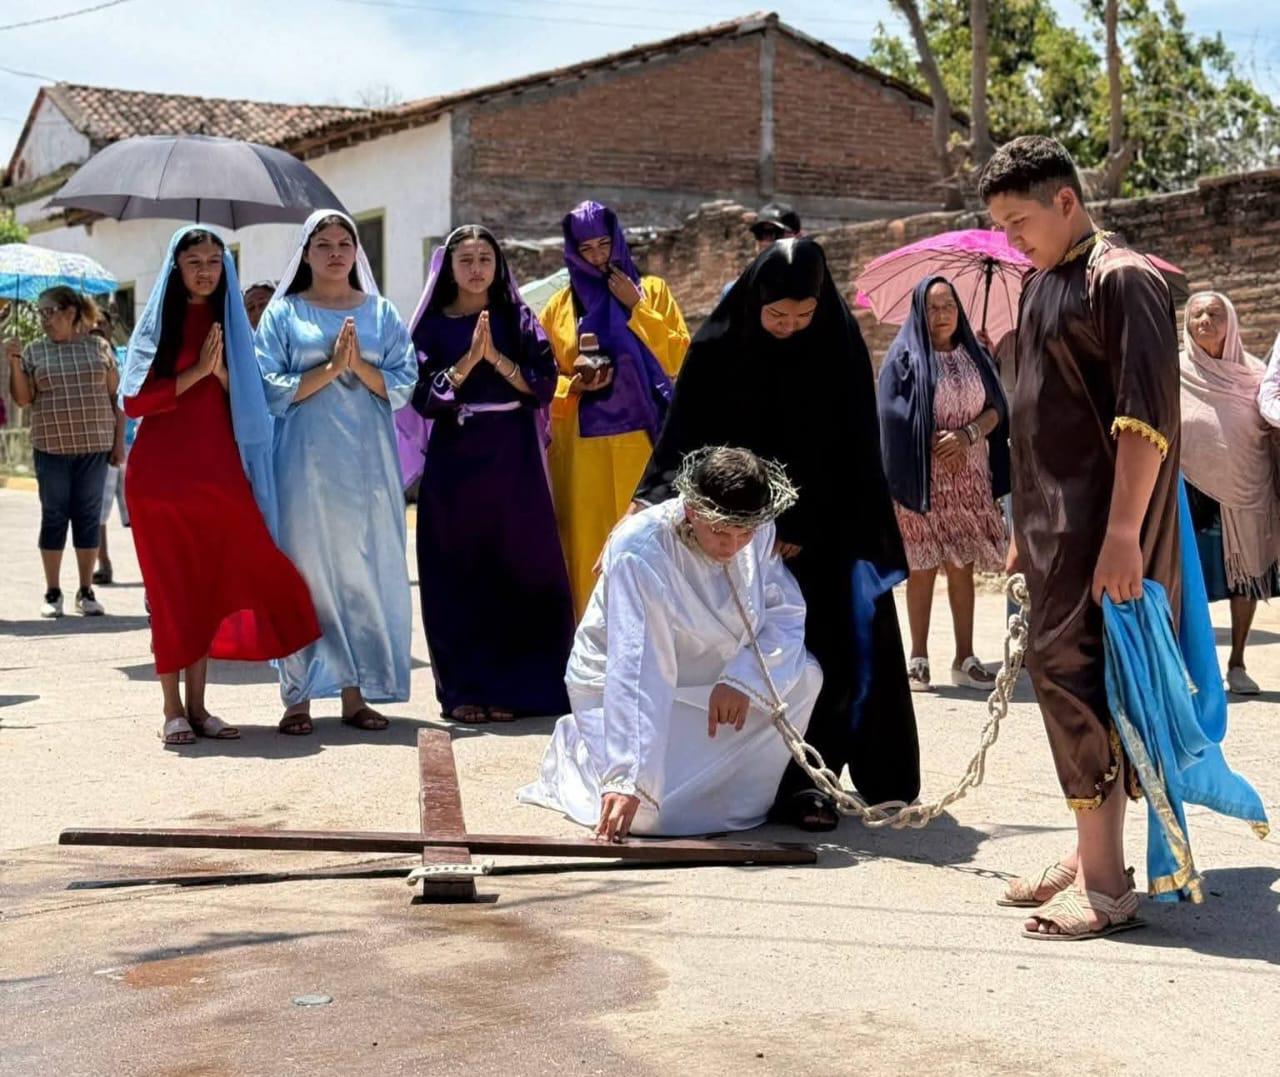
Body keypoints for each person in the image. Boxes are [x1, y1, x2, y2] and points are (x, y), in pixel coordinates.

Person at [634, 238, 921, 831]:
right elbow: (683, 431)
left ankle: (809, 784)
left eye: (802, 316)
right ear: (755, 303)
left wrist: (804, 523)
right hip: (730, 540)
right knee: (732, 655)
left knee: (828, 654)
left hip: (822, 539)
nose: (790, 328)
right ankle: (738, 777)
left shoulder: (836, 346)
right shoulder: (719, 347)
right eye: (777, 317)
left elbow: (855, 451)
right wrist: (649, 504)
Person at [981, 135, 1181, 939]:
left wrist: (1125, 533)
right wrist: (1021, 531)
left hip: (1105, 526)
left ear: (1067, 200)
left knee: (1086, 680)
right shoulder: (1041, 286)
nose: (1012, 239)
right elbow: (1036, 421)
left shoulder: (1122, 279)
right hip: (1048, 529)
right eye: (999, 225)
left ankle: (1107, 886)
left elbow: (1147, 418)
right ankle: (1087, 849)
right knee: (1063, 678)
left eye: (1019, 219)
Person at [518, 446, 820, 839]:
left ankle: (720, 793)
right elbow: (637, 663)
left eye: (743, 533)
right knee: (644, 815)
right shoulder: (640, 550)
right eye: (721, 532)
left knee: (807, 676)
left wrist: (742, 679)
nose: (733, 546)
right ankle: (582, 756)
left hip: (715, 677)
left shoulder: (756, 531)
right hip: (622, 683)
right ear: (693, 511)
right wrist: (627, 778)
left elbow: (784, 613)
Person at [121, 227, 320, 747]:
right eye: (195, 261)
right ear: (176, 267)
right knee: (171, 592)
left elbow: (251, 398)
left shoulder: (231, 323)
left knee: (224, 580)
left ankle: (201, 707)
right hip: (159, 478)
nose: (206, 270)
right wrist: (197, 373)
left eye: (215, 260)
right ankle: (172, 711)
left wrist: (224, 375)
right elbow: (134, 402)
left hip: (219, 473)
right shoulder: (158, 327)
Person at [256, 210, 417, 735]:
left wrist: (358, 368)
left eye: (344, 242)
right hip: (304, 462)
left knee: (362, 572)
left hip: (367, 464)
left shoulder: (382, 312)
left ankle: (357, 693)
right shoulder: (283, 315)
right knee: (304, 572)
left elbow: (402, 383)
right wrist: (329, 370)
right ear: (305, 253)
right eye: (322, 244)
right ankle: (297, 696)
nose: (334, 252)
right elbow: (269, 387)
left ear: (356, 252)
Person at [406, 225, 575, 724]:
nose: (477, 268)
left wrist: (494, 359)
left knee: (522, 566)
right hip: (456, 460)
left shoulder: (517, 318)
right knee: (457, 571)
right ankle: (462, 690)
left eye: (485, 258)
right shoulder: (432, 326)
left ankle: (520, 689)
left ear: (498, 265)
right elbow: (422, 396)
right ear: (448, 268)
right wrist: (465, 364)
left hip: (513, 457)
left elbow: (544, 383)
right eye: (467, 260)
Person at [541, 200, 690, 618]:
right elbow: (541, 380)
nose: (598, 257)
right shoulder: (558, 309)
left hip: (642, 443)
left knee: (648, 550)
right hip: (581, 450)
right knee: (586, 553)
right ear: (572, 252)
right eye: (586, 249)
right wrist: (577, 384)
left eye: (604, 244)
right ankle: (591, 662)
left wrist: (636, 305)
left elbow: (679, 358)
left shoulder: (654, 290)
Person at [878, 276, 1010, 693]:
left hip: (968, 475)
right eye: (933, 307)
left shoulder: (977, 354)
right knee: (922, 566)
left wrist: (969, 434)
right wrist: (926, 436)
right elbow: (889, 413)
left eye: (948, 306)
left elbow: (997, 409)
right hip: (923, 479)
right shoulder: (904, 358)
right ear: (920, 311)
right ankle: (917, 660)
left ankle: (964, 658)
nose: (942, 315)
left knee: (962, 565)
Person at [1179, 291, 1280, 695]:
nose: (1204, 319)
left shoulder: (1254, 375)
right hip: (1189, 490)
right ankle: (1191, 668)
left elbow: (1269, 426)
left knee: (1245, 579)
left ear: (1231, 322)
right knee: (1189, 580)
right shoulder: (1173, 371)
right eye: (1196, 313)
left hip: (1245, 491)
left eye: (1214, 313)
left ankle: (1237, 662)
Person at [6, 287, 121, 618]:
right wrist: (14, 361)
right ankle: (53, 591)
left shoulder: (99, 347)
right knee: (54, 516)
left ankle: (86, 590)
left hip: (94, 448)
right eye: (40, 313)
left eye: (49, 312)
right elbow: (24, 399)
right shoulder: (34, 350)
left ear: (71, 313)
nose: (44, 319)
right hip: (51, 448)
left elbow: (116, 398)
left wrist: (117, 444)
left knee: (87, 516)